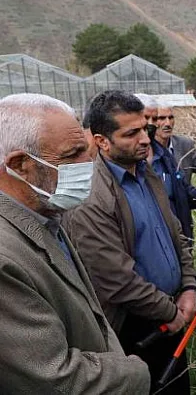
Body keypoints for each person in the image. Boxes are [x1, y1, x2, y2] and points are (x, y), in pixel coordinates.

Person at [0, 93, 150, 394]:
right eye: (73, 154)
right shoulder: (6, 258)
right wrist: (136, 373)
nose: (89, 162)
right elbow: (52, 377)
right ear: (21, 164)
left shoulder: (45, 213)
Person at [64, 90, 196, 394]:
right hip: (134, 327)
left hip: (171, 313)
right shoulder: (92, 197)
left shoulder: (144, 172)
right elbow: (115, 279)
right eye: (132, 133)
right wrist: (171, 313)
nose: (144, 139)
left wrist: (189, 287)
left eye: (144, 129)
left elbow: (175, 234)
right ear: (102, 141)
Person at [138, 94, 196, 247]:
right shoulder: (134, 162)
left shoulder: (170, 154)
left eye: (170, 118)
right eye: (160, 118)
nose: (167, 123)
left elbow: (183, 194)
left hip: (180, 236)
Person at [155, 102, 196, 185]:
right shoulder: (146, 150)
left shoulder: (184, 145)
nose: (168, 123)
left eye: (170, 118)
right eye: (162, 118)